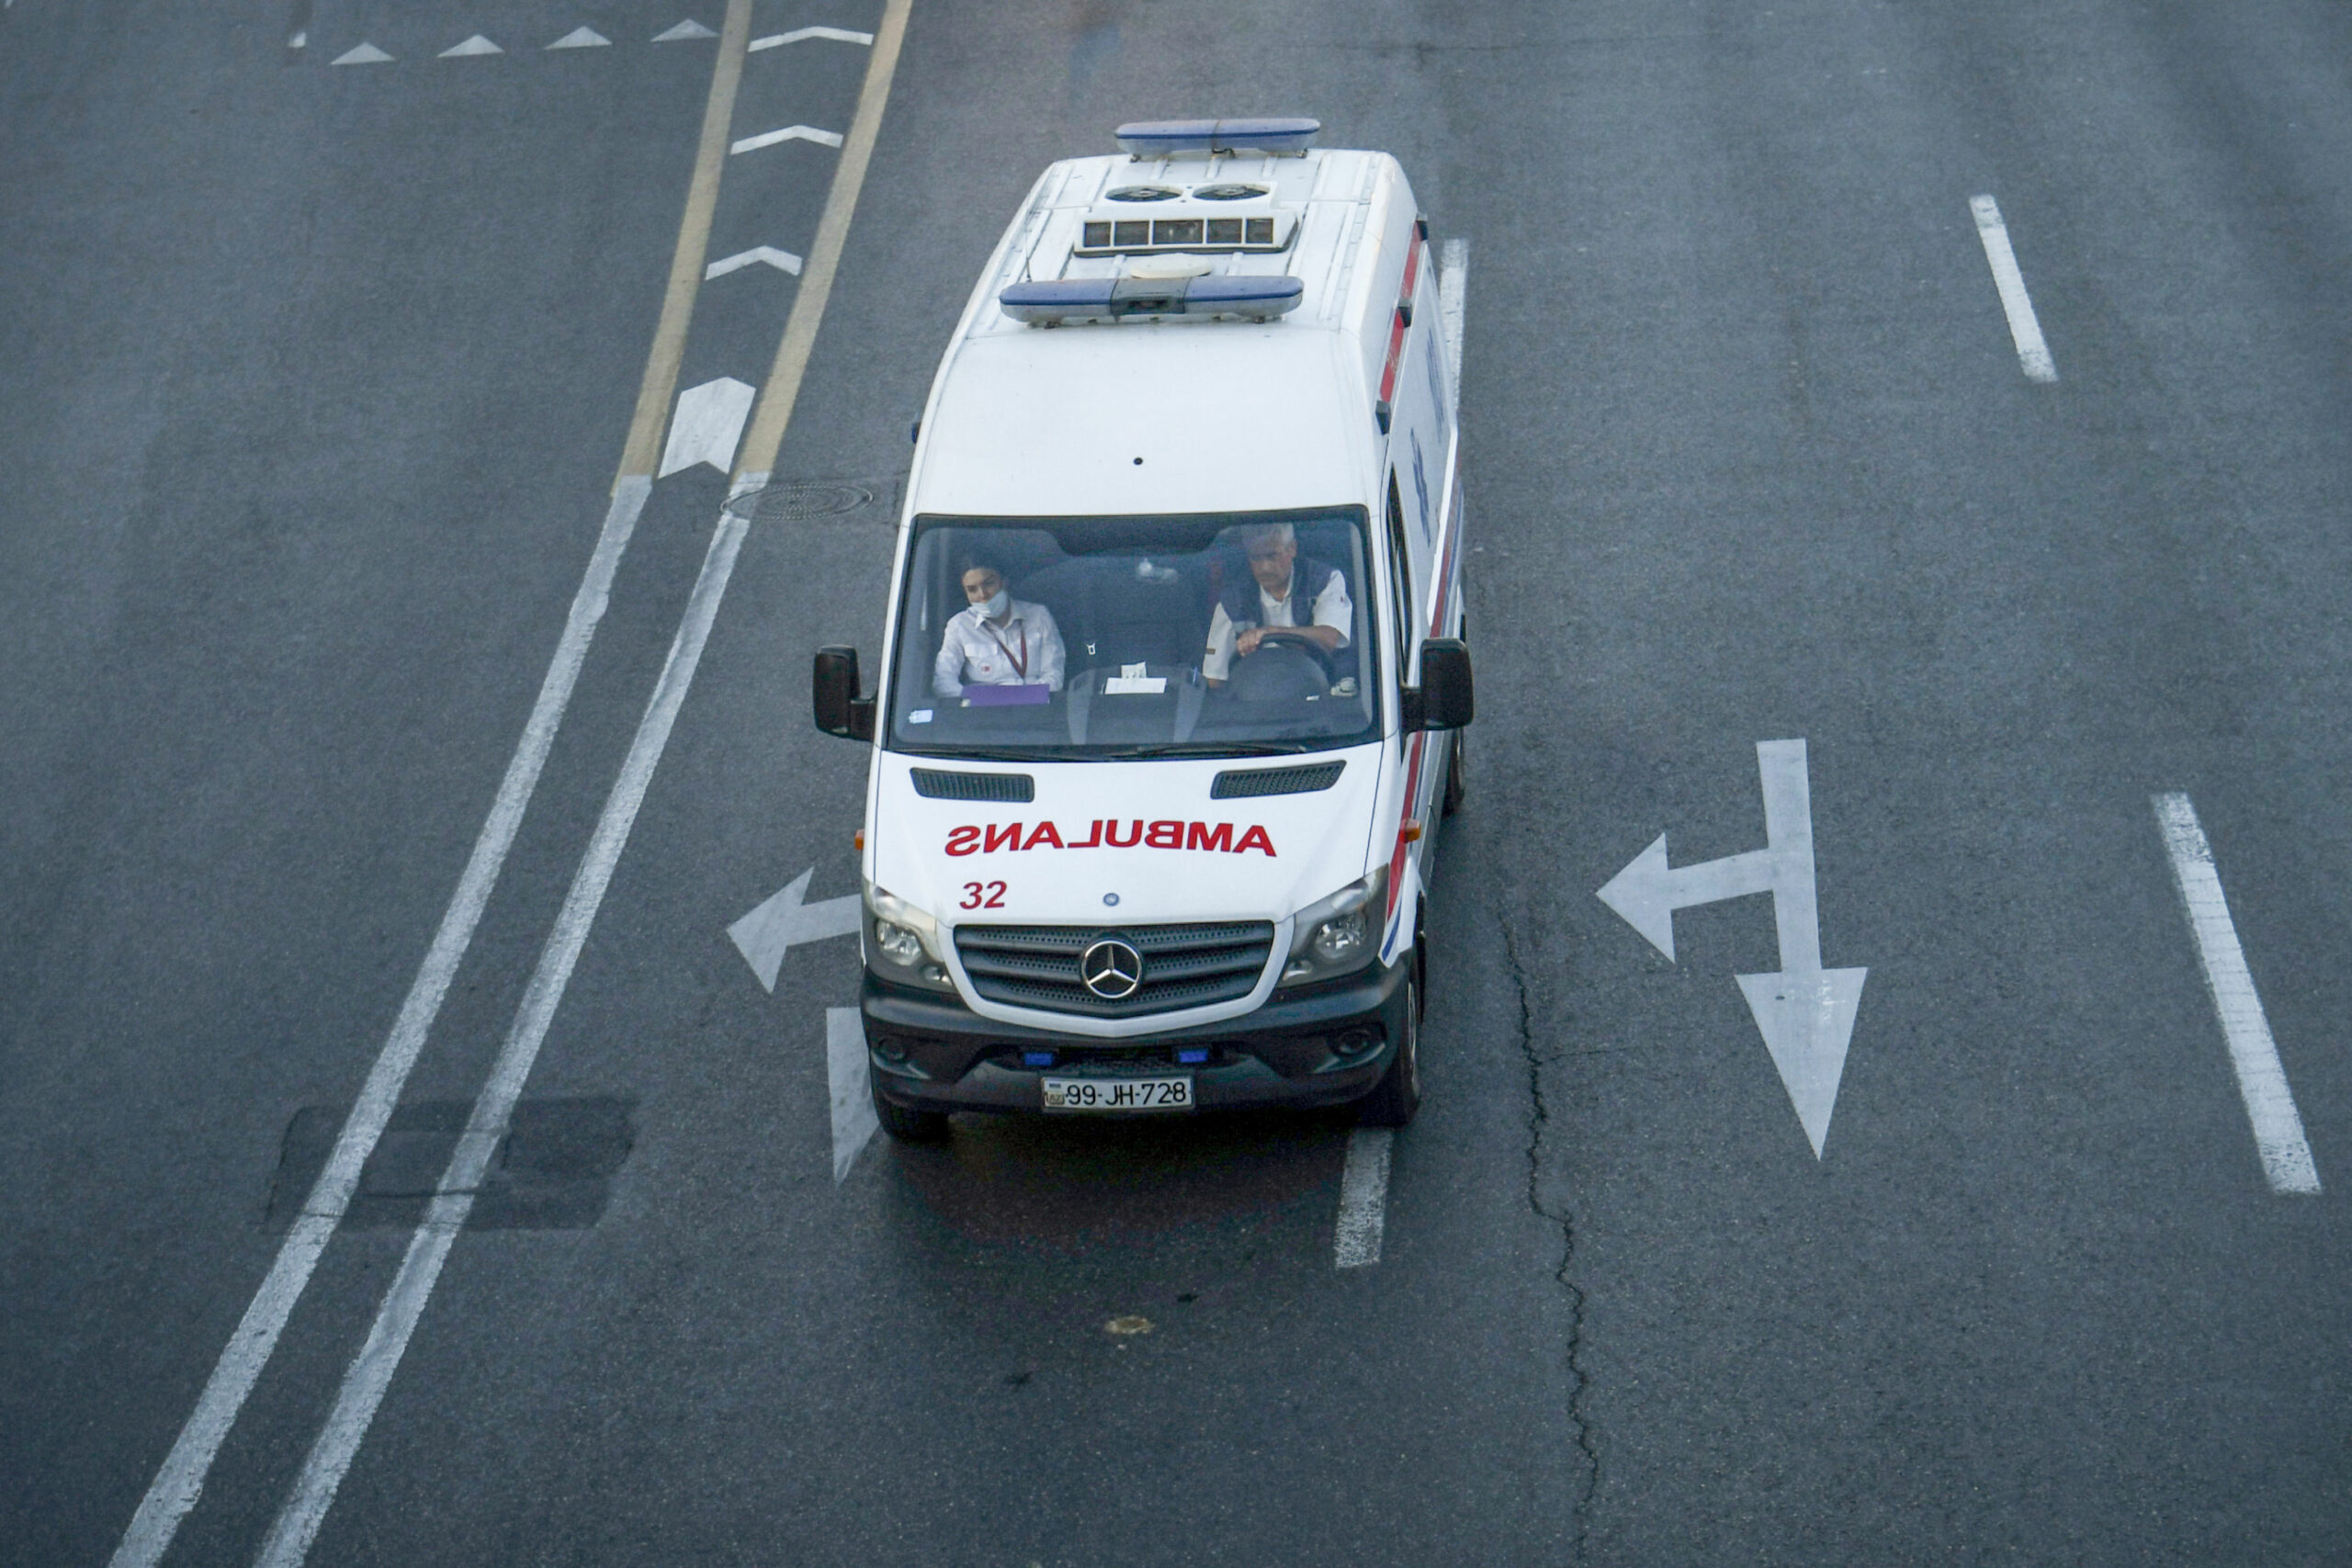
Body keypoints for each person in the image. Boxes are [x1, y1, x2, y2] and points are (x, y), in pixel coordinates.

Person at [1201, 523, 1351, 685]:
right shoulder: (1232, 600)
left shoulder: (1324, 580)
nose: (1264, 568)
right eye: (1256, 558)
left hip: (1321, 695)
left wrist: (1269, 633)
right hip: (1255, 699)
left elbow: (1328, 638)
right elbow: (1215, 677)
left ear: (1292, 549)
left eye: (1272, 556)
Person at [933, 560, 1066, 697]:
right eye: (972, 590)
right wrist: (980, 698)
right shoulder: (959, 625)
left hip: (1036, 710)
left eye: (988, 584)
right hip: (982, 713)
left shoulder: (1039, 616)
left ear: (1004, 582)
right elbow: (943, 683)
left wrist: (1023, 698)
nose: (982, 595)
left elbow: (1054, 677)